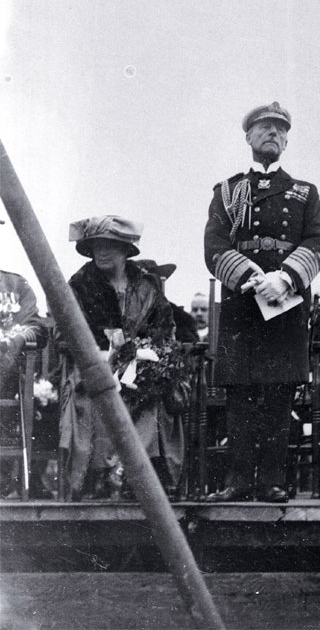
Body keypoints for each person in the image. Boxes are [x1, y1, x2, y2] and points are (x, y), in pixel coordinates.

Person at [204, 101, 320, 502]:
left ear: (287, 140)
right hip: (242, 302)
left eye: (279, 128)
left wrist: (286, 277)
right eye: (263, 127)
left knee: (278, 392)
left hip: (286, 302)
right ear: (249, 137)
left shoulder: (305, 192)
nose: (272, 133)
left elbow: (315, 243)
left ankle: (273, 480)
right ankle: (237, 481)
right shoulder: (227, 191)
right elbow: (215, 244)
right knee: (239, 392)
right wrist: (250, 277)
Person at [58, 215, 190, 501]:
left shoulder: (147, 286)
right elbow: (62, 332)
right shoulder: (78, 285)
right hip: (93, 365)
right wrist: (101, 353)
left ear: (125, 250)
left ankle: (132, 475)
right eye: (96, 246)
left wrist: (146, 355)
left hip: (141, 363)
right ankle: (103, 476)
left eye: (111, 245)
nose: (103, 252)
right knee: (103, 390)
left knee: (150, 389)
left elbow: (165, 331)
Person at [0, 219, 48, 496]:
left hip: (8, 376)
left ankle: (11, 477)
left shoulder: (15, 284)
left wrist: (17, 338)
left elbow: (36, 327)